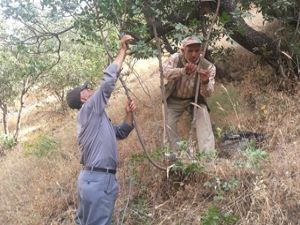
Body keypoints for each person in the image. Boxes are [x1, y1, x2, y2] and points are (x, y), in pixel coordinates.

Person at [66, 34, 135, 225]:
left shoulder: (94, 119)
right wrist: (122, 51)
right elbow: (106, 85)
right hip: (98, 180)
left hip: (90, 180)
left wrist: (128, 114)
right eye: (86, 90)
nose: (90, 91)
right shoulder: (88, 110)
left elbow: (120, 132)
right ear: (83, 99)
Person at [163, 36, 216, 154]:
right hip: (174, 99)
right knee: (169, 127)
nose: (194, 54)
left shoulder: (208, 67)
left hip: (195, 100)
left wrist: (205, 82)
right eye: (190, 51)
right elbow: (165, 73)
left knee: (204, 120)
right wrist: (182, 71)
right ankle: (175, 158)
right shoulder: (175, 59)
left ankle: (208, 157)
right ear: (182, 51)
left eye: (197, 50)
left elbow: (208, 93)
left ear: (201, 51)